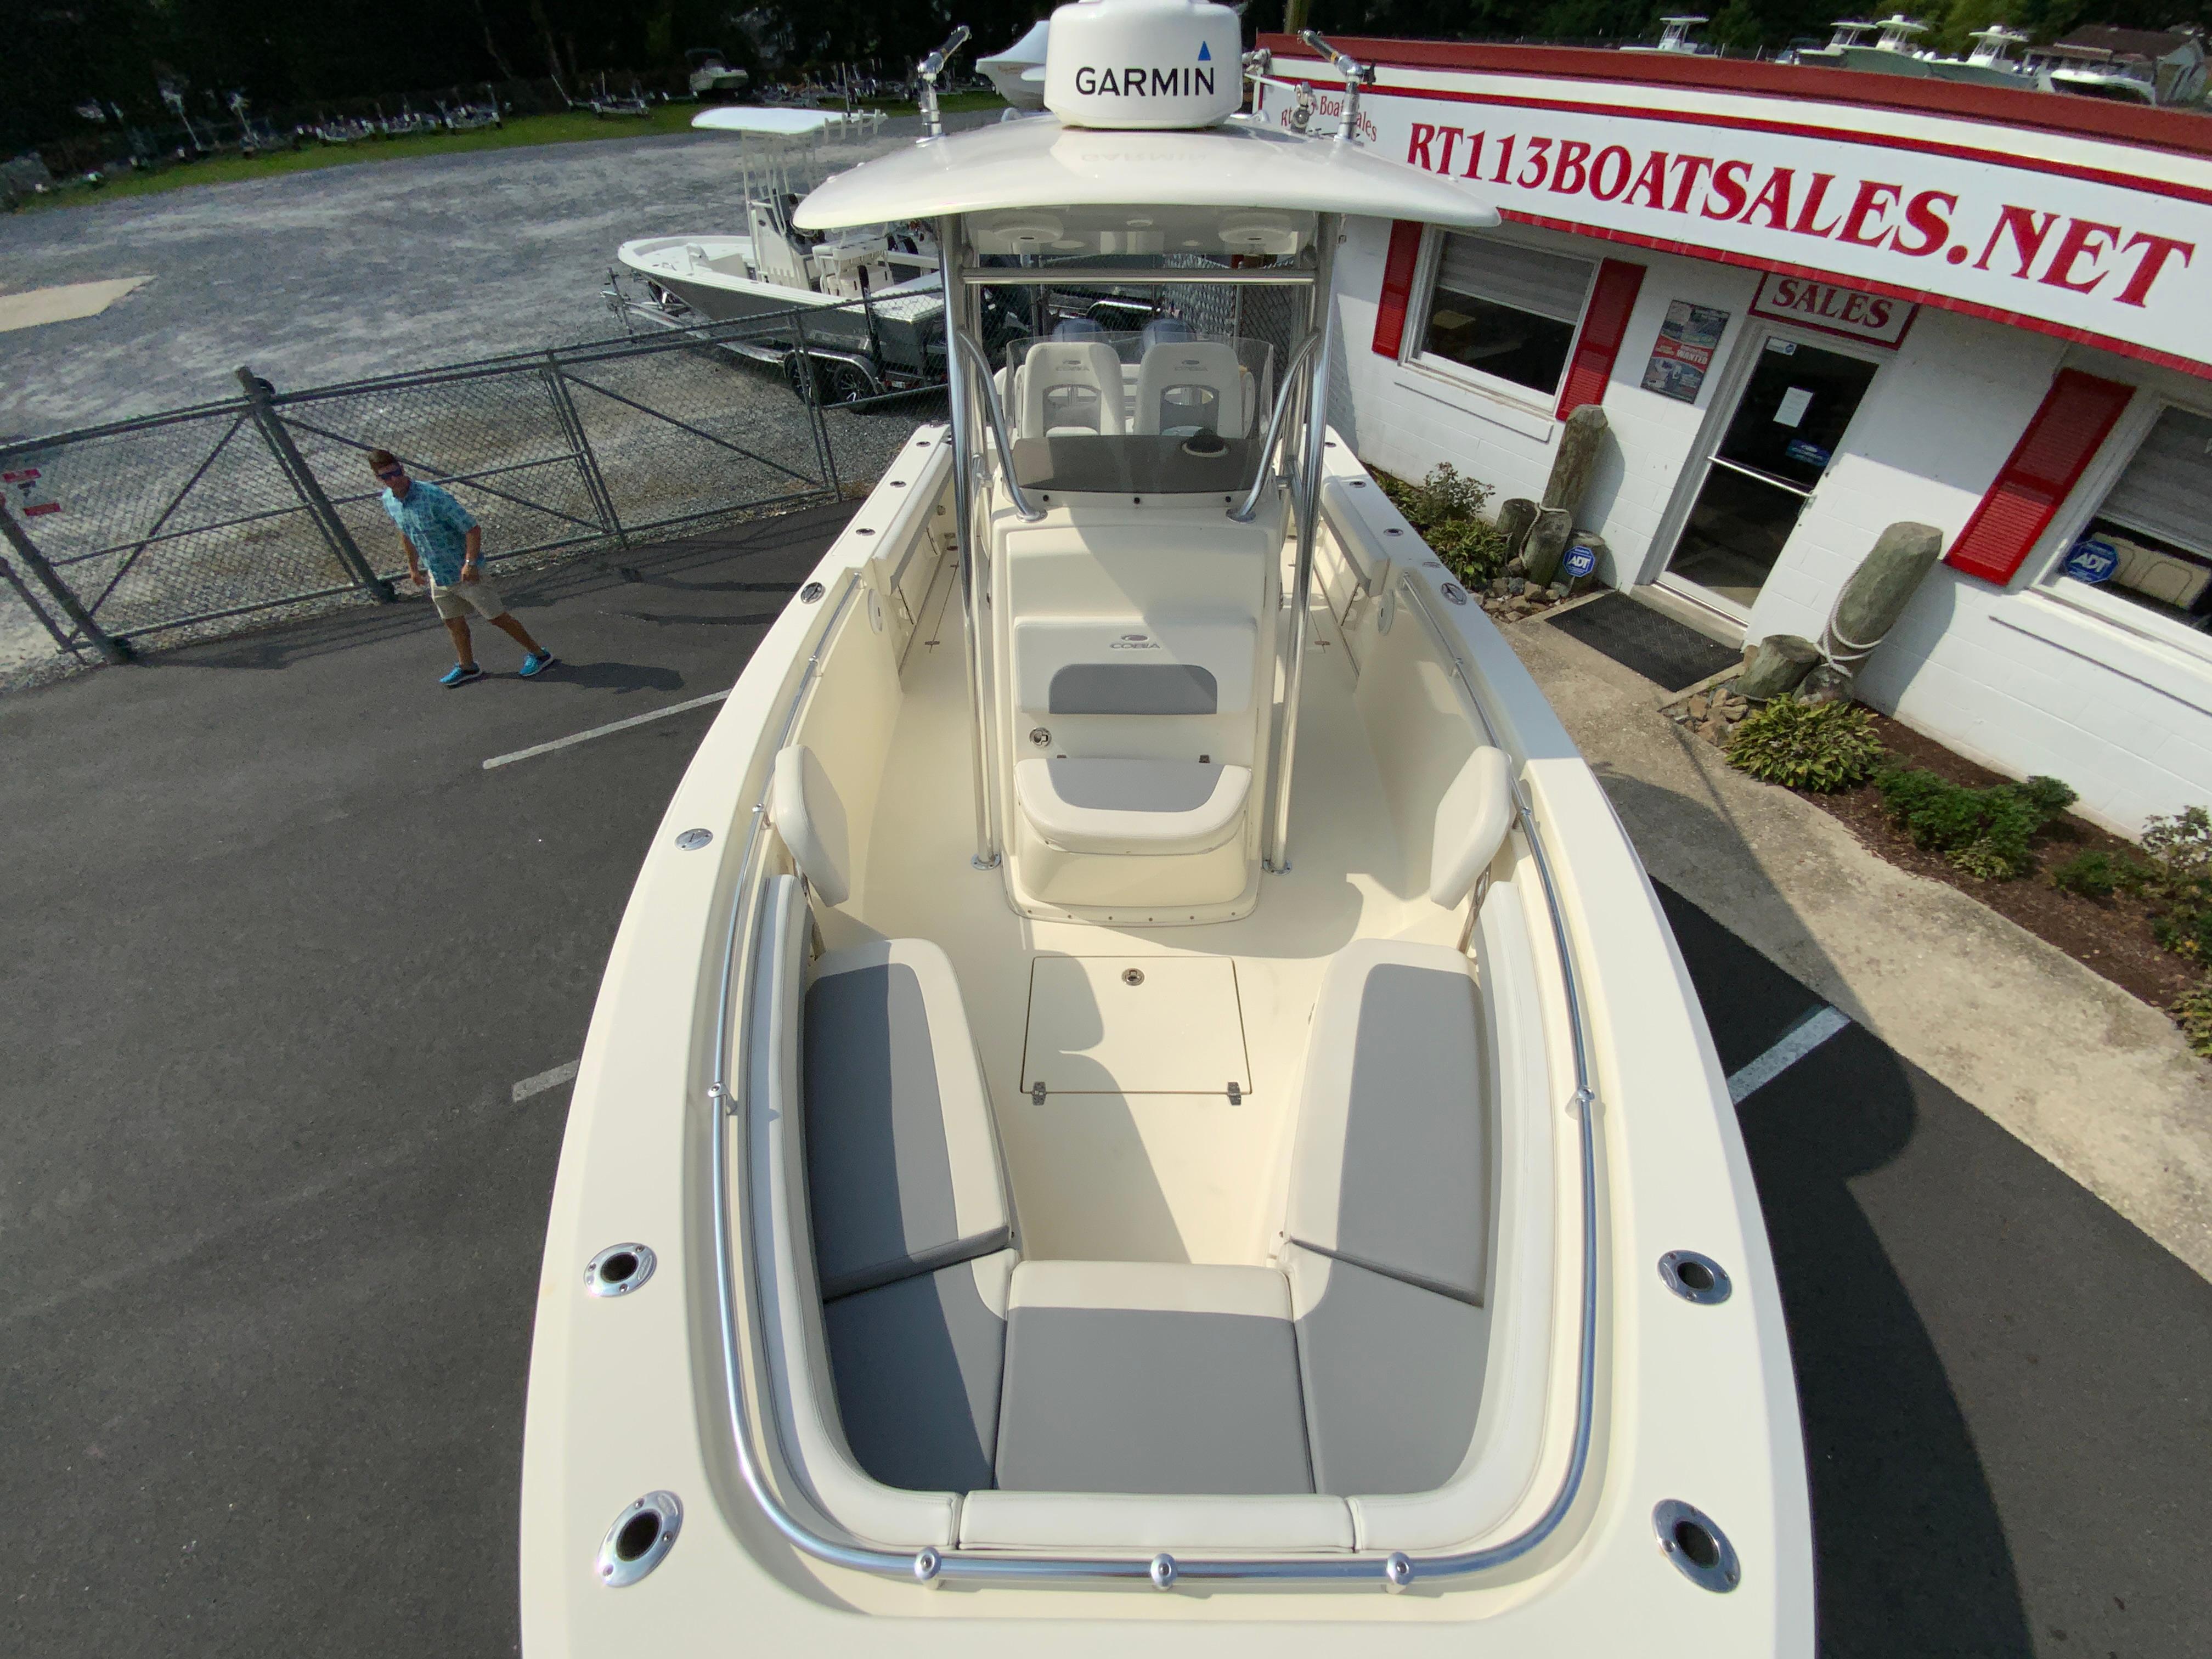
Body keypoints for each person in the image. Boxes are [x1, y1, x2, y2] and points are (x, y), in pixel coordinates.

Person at [369, 449, 554, 686]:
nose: (393, 480)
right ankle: (467, 666)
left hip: (464, 571)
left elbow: (472, 528)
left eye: (395, 473)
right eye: (386, 477)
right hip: (438, 573)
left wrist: (471, 563)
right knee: (453, 622)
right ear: (378, 479)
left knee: (497, 617)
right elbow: (407, 533)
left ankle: (540, 654)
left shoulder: (433, 497)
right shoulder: (389, 501)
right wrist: (413, 567)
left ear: (402, 469)